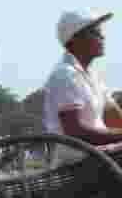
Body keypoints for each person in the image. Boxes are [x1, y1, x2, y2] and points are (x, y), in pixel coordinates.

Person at [43, 9, 122, 146]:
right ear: (75, 39)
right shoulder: (65, 75)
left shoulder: (93, 77)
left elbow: (114, 118)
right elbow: (75, 133)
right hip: (79, 160)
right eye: (96, 32)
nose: (102, 37)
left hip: (102, 154)